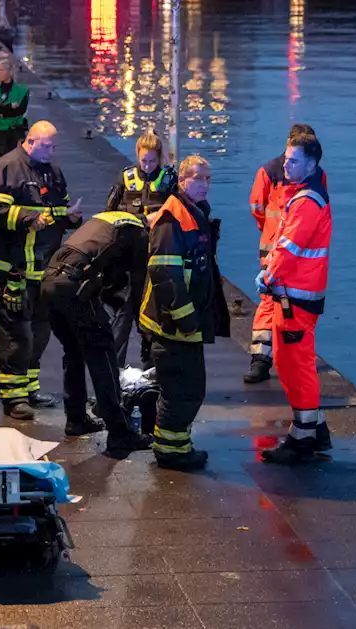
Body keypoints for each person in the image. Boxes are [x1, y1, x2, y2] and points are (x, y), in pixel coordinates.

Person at [0, 121, 82, 420]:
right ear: (32, 141)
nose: (53, 151)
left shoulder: (52, 171)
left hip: (43, 266)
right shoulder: (7, 167)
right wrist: (28, 218)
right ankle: (13, 398)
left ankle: (29, 387)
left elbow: (58, 210)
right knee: (14, 331)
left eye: (54, 146)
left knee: (40, 330)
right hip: (11, 268)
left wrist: (71, 217)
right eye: (48, 146)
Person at [41, 212, 156, 453]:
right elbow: (136, 285)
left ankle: (76, 419)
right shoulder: (138, 233)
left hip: (50, 280)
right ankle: (120, 434)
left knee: (73, 352)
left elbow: (103, 265)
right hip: (74, 285)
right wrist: (145, 330)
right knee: (103, 356)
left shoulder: (108, 219)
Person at [257, 130, 333, 465]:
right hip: (299, 296)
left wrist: (268, 276)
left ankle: (303, 437)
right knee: (296, 362)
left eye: (293, 160)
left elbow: (289, 246)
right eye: (286, 158)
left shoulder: (306, 201)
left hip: (295, 298)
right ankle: (315, 429)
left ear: (311, 163)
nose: (286, 165)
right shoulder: (309, 194)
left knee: (294, 364)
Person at [138, 155, 215, 471]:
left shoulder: (194, 214)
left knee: (188, 387)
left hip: (185, 322)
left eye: (209, 179)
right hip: (173, 323)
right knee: (182, 388)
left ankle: (177, 445)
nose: (205, 184)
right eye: (199, 178)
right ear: (182, 180)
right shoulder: (172, 218)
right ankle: (170, 451)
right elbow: (165, 275)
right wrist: (185, 318)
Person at [245, 123, 325, 383]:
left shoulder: (268, 170)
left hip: (278, 245)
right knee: (279, 306)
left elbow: (257, 206)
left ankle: (263, 358)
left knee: (272, 305)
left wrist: (268, 229)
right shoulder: (314, 176)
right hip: (289, 251)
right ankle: (270, 359)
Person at [104, 131, 178, 367]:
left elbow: (182, 212)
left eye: (152, 161)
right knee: (122, 315)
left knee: (151, 316)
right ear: (137, 156)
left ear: (160, 158)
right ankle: (114, 372)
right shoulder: (125, 178)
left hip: (154, 256)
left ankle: (151, 370)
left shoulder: (169, 179)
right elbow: (109, 212)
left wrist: (162, 214)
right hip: (126, 258)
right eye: (143, 161)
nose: (147, 166)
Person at [0, 41, 30, 160]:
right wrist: (11, 106)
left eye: (1, 70)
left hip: (16, 132)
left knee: (17, 163)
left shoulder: (22, 91)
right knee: (1, 164)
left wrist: (2, 109)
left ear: (10, 72)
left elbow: (20, 110)